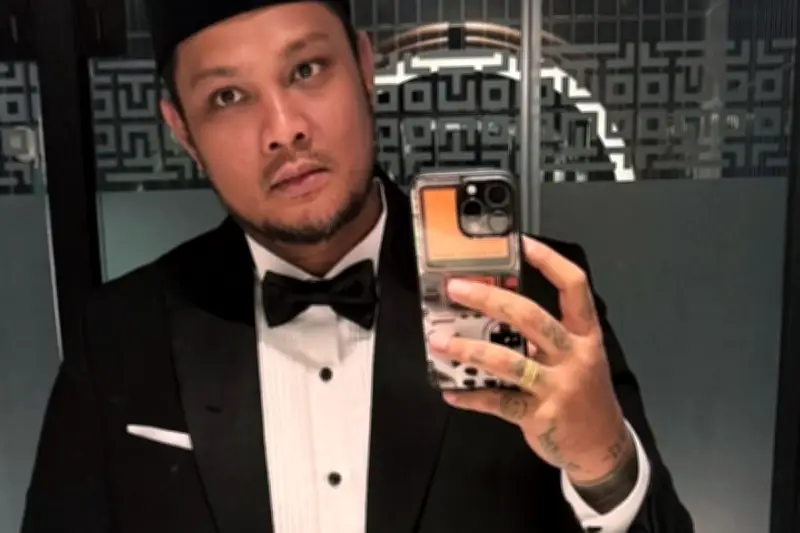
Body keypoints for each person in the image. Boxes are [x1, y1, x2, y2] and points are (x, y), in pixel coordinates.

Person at [21, 1, 693, 532]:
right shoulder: (120, 334)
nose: (283, 129)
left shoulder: (535, 298)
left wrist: (604, 464)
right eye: (228, 97)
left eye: (307, 70)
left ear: (365, 65)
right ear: (180, 128)